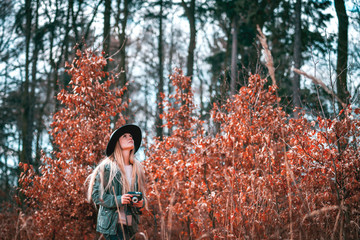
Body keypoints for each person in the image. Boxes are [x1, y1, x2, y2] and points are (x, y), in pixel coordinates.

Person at [86, 124, 146, 240]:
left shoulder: (137, 169)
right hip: (112, 227)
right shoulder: (107, 167)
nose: (130, 138)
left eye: (131, 136)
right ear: (117, 143)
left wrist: (141, 203)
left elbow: (142, 196)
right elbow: (97, 195)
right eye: (125, 136)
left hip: (130, 227)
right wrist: (119, 199)